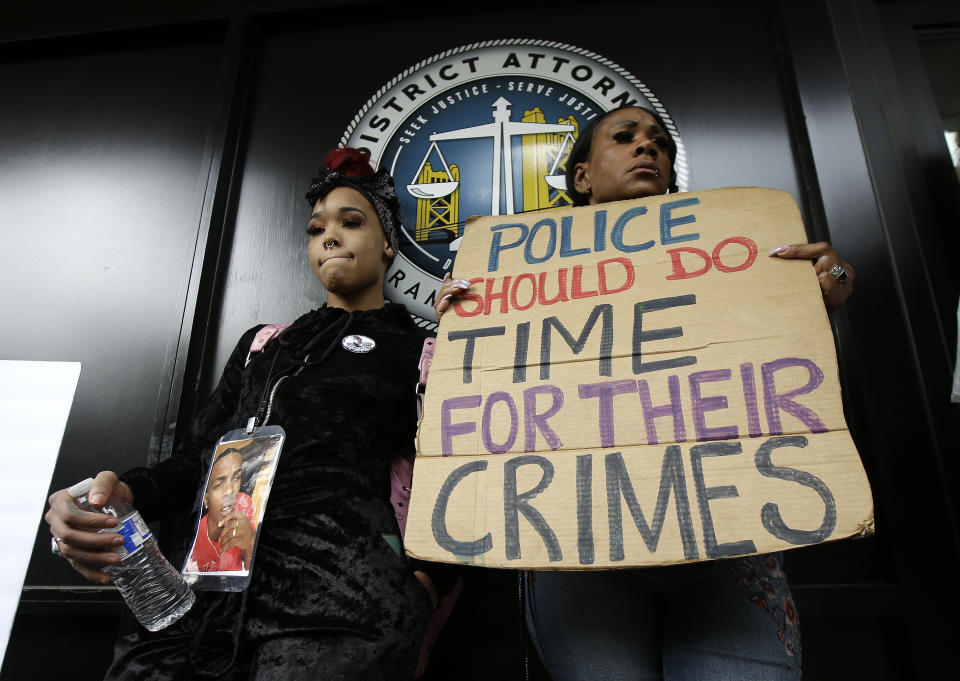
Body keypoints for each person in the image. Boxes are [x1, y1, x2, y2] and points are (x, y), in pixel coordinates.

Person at [434, 106, 856, 680]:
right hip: (574, 547)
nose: (647, 149)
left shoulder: (729, 259)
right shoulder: (514, 280)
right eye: (626, 138)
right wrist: (464, 332)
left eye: (659, 144)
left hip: (727, 542)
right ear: (582, 177)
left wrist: (812, 294)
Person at [45, 148, 449, 680]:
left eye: (352, 222)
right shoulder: (264, 345)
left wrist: (424, 585)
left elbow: (458, 474)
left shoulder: (420, 347)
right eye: (316, 228)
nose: (329, 236)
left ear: (389, 243)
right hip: (206, 594)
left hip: (342, 598)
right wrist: (125, 492)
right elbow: (194, 461)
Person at [185, 447, 256, 573]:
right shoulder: (193, 539)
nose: (230, 491)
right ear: (206, 499)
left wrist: (250, 543)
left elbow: (251, 569)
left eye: (236, 477)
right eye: (218, 485)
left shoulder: (243, 504)